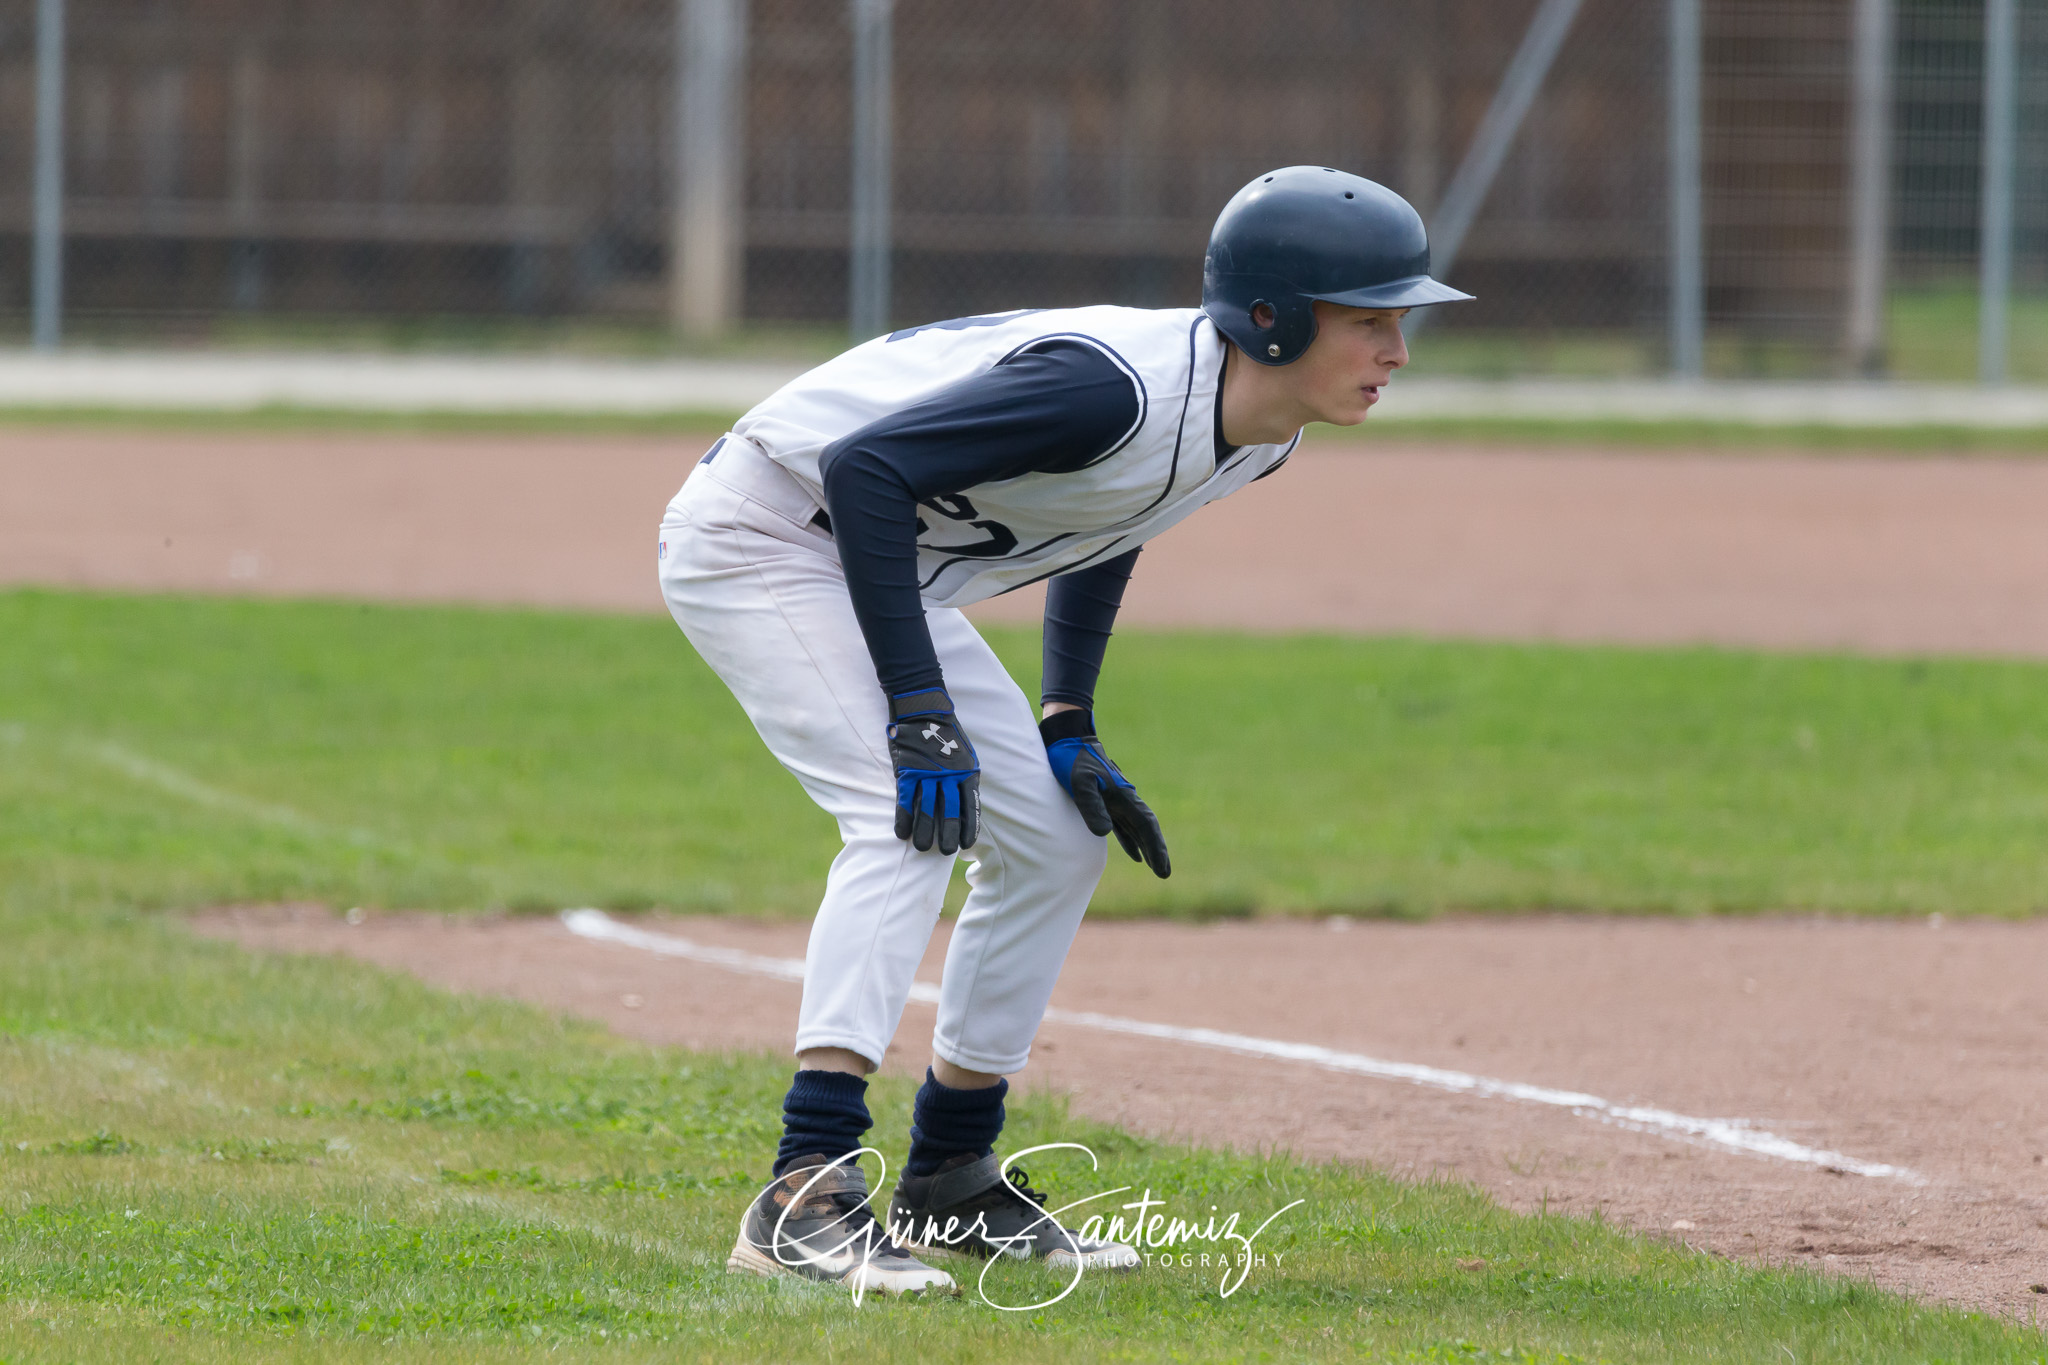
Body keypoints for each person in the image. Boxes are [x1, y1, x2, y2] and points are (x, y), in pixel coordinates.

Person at [657, 166, 1472, 1296]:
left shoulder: (1259, 428)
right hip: (766, 533)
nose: (1396, 349)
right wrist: (919, 712)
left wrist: (1066, 717)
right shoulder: (1110, 390)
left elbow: (1116, 509)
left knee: (1054, 838)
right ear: (1274, 319)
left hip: (868, 559)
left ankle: (949, 1176)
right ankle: (805, 1189)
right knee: (906, 815)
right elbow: (865, 469)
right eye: (1369, 320)